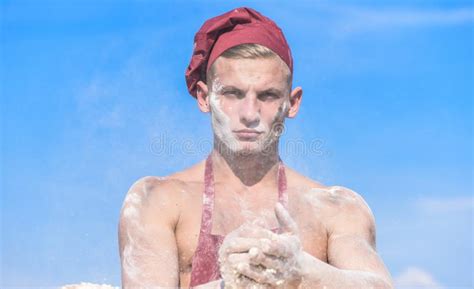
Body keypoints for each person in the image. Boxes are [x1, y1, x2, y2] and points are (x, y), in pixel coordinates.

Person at [118, 7, 394, 289]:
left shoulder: (336, 208)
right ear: (204, 97)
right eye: (232, 93)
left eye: (267, 95)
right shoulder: (156, 201)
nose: (250, 113)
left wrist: (303, 272)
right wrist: (233, 282)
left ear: (292, 103)